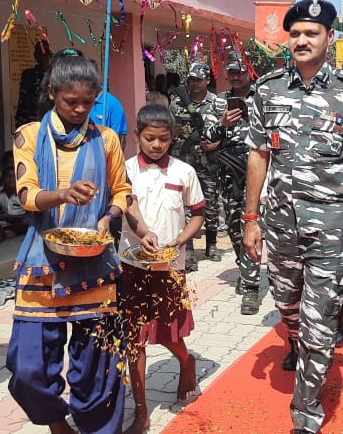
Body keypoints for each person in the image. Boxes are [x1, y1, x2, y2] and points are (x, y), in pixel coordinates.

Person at [243, 0, 343, 433]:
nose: (302, 40)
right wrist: (251, 218)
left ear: (329, 38)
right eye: (296, 33)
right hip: (280, 221)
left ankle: (305, 414)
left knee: (318, 320)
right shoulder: (266, 90)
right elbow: (258, 155)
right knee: (287, 304)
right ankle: (299, 341)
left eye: (311, 33)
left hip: (332, 224)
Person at [5, 55, 131, 434]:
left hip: (94, 262)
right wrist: (62, 195)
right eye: (70, 101)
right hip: (41, 263)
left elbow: (123, 190)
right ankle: (58, 424)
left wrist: (109, 216)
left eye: (87, 102)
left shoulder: (106, 139)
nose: (79, 109)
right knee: (28, 367)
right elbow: (26, 195)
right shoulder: (28, 136)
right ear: (51, 93)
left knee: (98, 367)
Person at [119, 105, 204, 434]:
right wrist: (143, 234)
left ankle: (186, 360)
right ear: (137, 136)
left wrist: (181, 239)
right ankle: (141, 410)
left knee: (168, 332)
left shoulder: (184, 172)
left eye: (164, 139)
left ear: (173, 137)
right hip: (132, 265)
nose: (156, 145)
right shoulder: (124, 170)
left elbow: (198, 213)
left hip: (169, 266)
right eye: (149, 138)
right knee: (133, 338)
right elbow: (127, 208)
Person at [202, 50, 260, 313]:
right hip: (230, 172)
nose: (235, 76)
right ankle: (245, 267)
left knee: (255, 225)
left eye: (240, 71)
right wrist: (222, 124)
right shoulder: (218, 102)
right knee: (235, 228)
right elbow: (206, 136)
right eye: (231, 72)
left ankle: (251, 285)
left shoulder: (262, 96)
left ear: (249, 71)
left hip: (258, 170)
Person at [171, 62, 221, 269]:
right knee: (184, 205)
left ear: (207, 80)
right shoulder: (177, 102)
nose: (195, 83)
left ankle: (212, 245)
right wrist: (174, 131)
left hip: (207, 162)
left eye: (199, 79)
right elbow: (167, 128)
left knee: (210, 203)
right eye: (191, 79)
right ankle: (189, 250)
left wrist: (217, 144)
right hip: (182, 160)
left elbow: (226, 132)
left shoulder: (217, 103)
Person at [16, 38, 53, 129]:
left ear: (50, 56)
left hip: (50, 121)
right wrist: (20, 124)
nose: (43, 58)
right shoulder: (28, 74)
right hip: (30, 122)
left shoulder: (55, 75)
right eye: (40, 54)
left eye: (45, 54)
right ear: (35, 56)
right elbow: (23, 102)